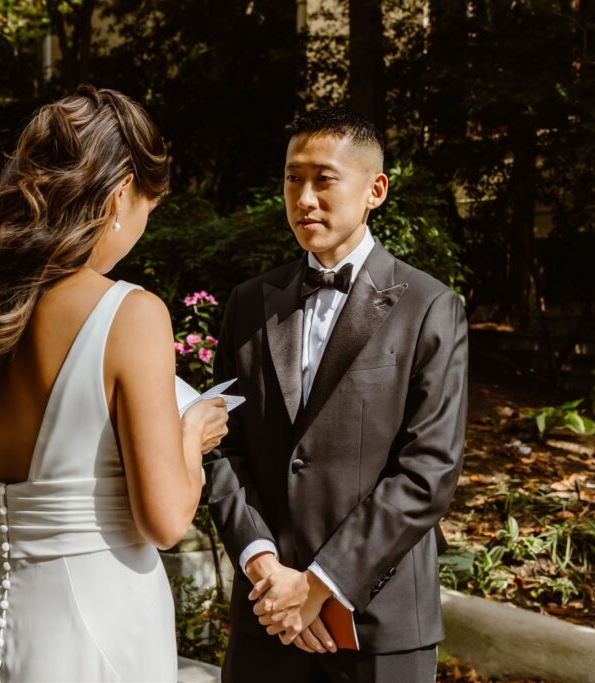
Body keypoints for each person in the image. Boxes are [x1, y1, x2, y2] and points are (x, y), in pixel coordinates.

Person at [0, 85, 228, 683]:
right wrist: (192, 435)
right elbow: (164, 523)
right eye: (149, 209)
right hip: (101, 632)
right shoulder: (131, 314)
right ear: (120, 194)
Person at [206, 107, 468, 683]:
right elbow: (222, 446)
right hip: (267, 616)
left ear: (375, 190)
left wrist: (320, 584)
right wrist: (264, 566)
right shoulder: (249, 303)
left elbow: (429, 469)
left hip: (380, 627)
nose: (304, 199)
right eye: (292, 179)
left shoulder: (430, 307)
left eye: (324, 179)